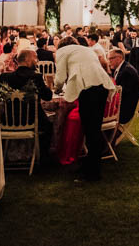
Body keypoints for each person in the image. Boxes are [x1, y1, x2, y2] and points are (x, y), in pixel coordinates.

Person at [54, 38, 112, 181]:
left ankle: (92, 173)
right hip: (102, 87)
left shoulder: (62, 51)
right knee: (94, 129)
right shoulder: (87, 50)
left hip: (88, 90)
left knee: (90, 130)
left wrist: (57, 89)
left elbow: (60, 76)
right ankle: (91, 165)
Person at [106, 48, 139, 126]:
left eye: (111, 58)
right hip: (121, 106)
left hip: (124, 111)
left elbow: (122, 94)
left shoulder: (127, 72)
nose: (109, 61)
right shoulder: (122, 68)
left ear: (119, 58)